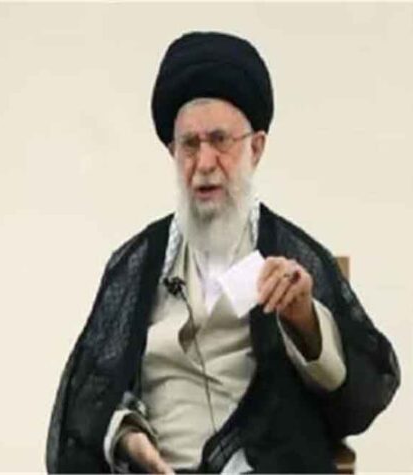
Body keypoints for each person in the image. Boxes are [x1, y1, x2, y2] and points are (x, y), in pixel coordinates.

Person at [46, 31, 400, 473]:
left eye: (220, 140)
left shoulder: (292, 256)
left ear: (256, 147)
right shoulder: (137, 263)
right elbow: (87, 399)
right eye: (190, 145)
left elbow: (362, 394)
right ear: (173, 152)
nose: (205, 163)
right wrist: (128, 437)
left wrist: (304, 320)